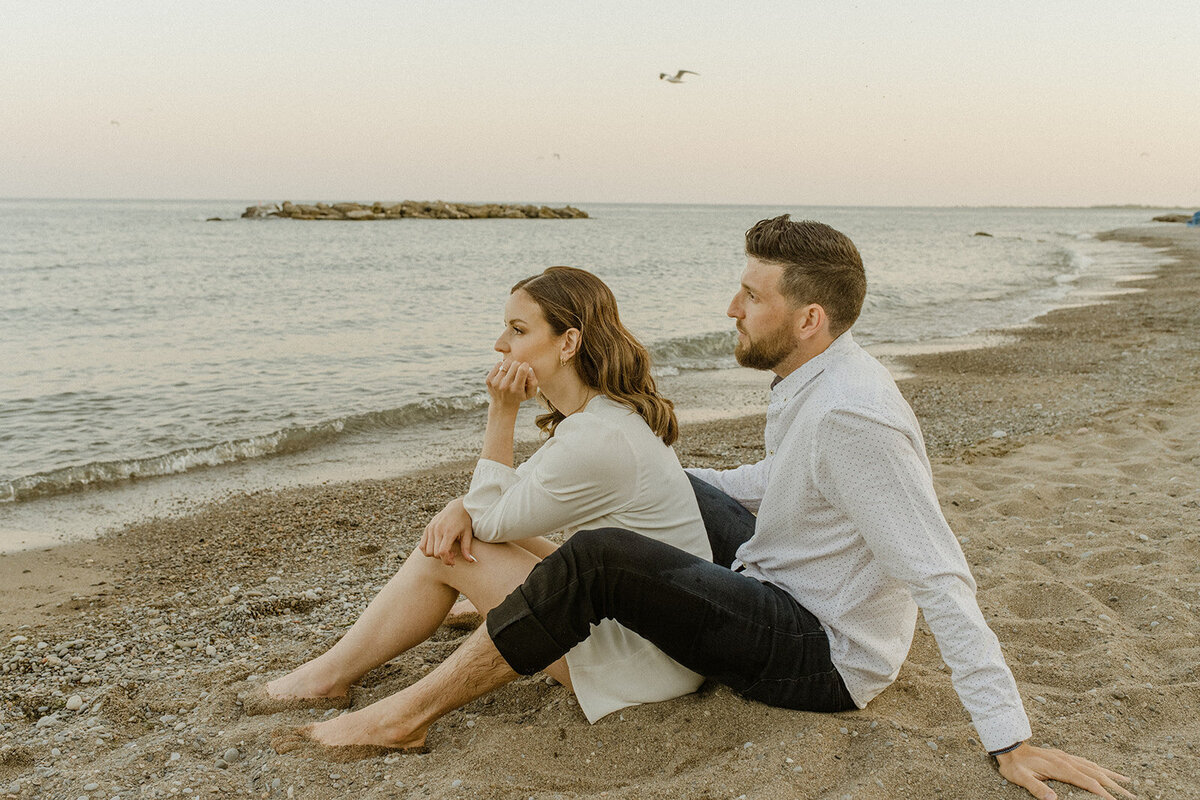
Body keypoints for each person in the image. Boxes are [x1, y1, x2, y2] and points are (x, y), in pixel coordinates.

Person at [270, 217, 1132, 800]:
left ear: (809, 318)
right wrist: (659, 473)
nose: (731, 308)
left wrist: (1008, 737)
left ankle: (403, 716)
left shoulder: (854, 414)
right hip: (780, 577)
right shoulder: (814, 378)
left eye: (752, 297)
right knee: (670, 496)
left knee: (603, 554)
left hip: (821, 652)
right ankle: (491, 612)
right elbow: (783, 480)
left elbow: (941, 575)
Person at [265, 266, 712, 758]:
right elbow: (506, 500)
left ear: (568, 343)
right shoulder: (603, 418)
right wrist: (463, 507)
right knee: (469, 531)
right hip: (663, 639)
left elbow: (491, 519)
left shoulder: (597, 438)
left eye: (518, 330)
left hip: (644, 664)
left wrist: (501, 411)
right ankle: (336, 670)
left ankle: (327, 677)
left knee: (453, 550)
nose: (501, 344)